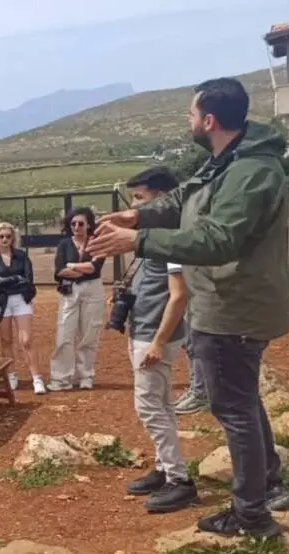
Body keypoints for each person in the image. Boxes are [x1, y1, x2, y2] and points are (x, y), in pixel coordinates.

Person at [88, 77, 289, 538]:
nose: (188, 120)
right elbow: (183, 200)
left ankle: (251, 515)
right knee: (243, 402)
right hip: (225, 302)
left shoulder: (251, 171)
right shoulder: (228, 161)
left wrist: (138, 239)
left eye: (190, 113)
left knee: (234, 410)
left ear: (209, 119)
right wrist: (137, 215)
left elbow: (218, 239)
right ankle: (267, 483)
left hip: (233, 307)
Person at [116, 167, 199, 513]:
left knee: (148, 406)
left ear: (162, 198)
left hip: (154, 335)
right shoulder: (155, 238)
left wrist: (158, 342)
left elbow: (179, 296)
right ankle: (166, 469)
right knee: (162, 403)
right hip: (146, 329)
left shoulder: (170, 239)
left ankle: (179, 480)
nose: (134, 205)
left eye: (140, 197)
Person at [0, 222, 46, 395]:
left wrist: (7, 281)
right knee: (6, 340)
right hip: (0, 302)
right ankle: (11, 375)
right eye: (1, 236)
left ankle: (37, 377)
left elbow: (28, 279)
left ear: (13, 238)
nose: (4, 239)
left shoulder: (21, 255)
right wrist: (14, 279)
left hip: (20, 299)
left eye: (8, 236)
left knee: (26, 340)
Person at [48, 207, 105, 391]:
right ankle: (61, 378)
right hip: (70, 290)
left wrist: (72, 265)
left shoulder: (97, 242)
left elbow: (95, 268)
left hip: (93, 289)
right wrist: (83, 268)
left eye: (81, 223)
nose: (77, 227)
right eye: (73, 223)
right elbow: (59, 271)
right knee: (65, 333)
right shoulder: (64, 244)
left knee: (89, 334)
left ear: (89, 224)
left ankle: (85, 376)